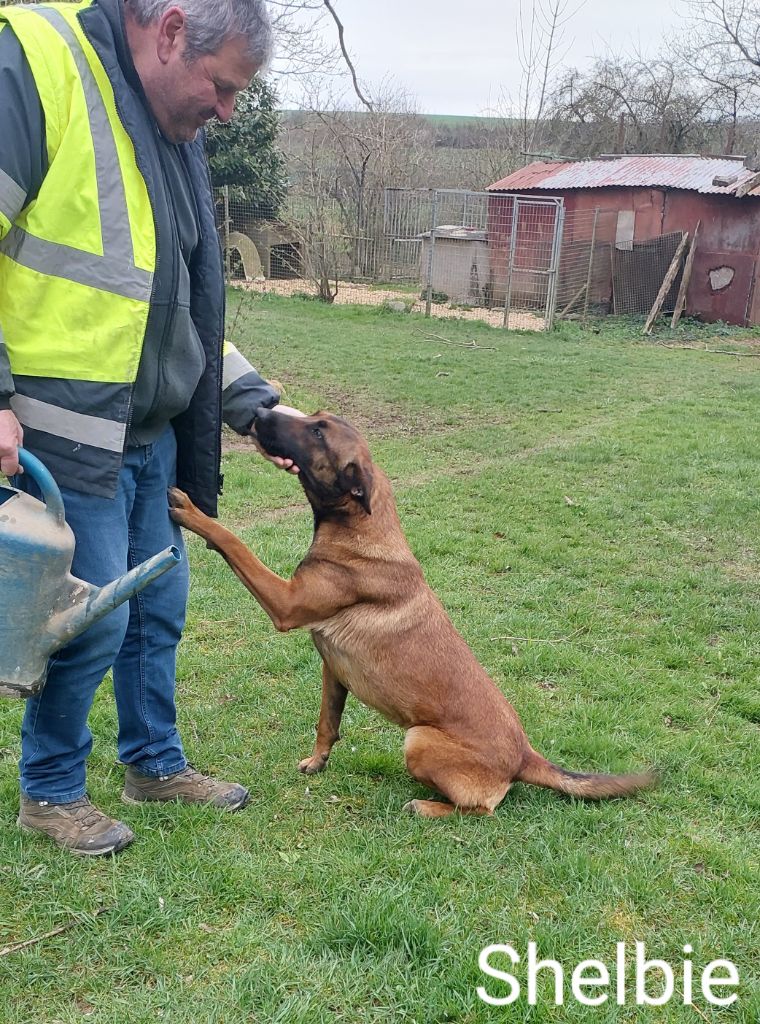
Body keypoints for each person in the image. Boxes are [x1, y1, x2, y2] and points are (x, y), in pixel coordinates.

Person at [0, 0, 300, 856]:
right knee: (86, 620)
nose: (229, 111)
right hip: (63, 427)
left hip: (149, 435)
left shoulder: (172, 131)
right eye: (223, 86)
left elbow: (180, 310)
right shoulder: (41, 62)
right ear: (169, 31)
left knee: (155, 611)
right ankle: (51, 790)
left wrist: (256, 404)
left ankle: (153, 763)